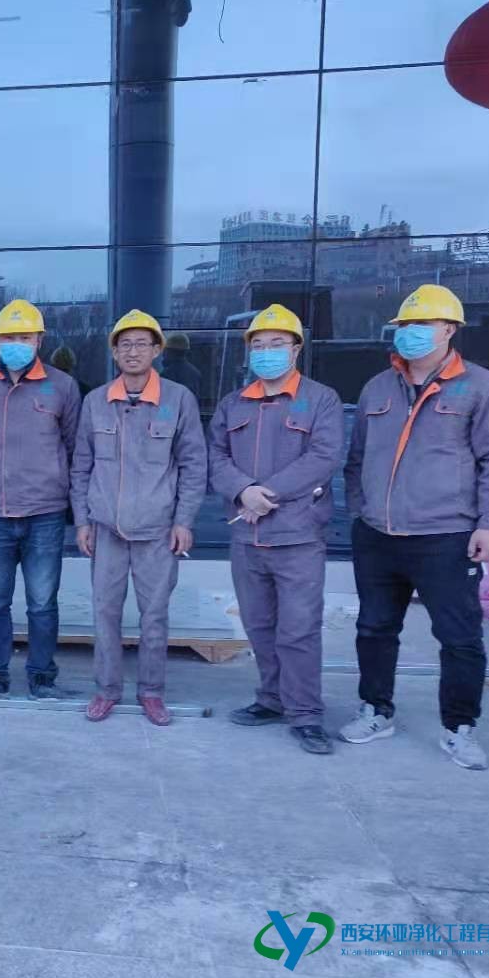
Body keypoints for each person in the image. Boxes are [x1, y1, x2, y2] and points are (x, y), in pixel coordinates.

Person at [340, 285, 489, 770]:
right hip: (378, 536)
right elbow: (357, 456)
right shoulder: (378, 387)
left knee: (459, 637)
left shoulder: (481, 387)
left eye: (422, 325)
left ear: (449, 330)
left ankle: (459, 728)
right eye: (405, 325)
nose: (411, 334)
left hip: (446, 537)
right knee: (374, 628)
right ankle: (376, 710)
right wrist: (360, 508)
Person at [208, 305, 343, 754]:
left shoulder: (319, 399)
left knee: (298, 630)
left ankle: (306, 714)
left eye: (277, 343)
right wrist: (242, 490)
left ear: (296, 349)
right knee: (259, 625)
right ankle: (271, 699)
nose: (267, 352)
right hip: (247, 538)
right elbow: (215, 457)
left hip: (298, 536)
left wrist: (266, 494)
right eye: (259, 344)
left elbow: (323, 456)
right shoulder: (233, 404)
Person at [72, 310, 206, 726]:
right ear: (114, 352)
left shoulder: (178, 400)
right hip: (106, 530)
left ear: (157, 350)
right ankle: (106, 690)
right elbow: (81, 466)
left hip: (158, 531)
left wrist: (184, 520)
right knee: (105, 613)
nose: (133, 352)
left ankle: (151, 692)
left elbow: (194, 465)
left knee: (155, 616)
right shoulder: (96, 402)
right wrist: (82, 521)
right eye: (125, 344)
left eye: (142, 344)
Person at [0, 299, 82, 699]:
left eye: (24, 337)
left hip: (44, 513)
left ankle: (42, 677)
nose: (17, 343)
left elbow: (73, 446)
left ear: (39, 340)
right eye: (9, 337)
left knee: (42, 601)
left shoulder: (62, 386)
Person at [159, 332, 202, 404]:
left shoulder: (167, 374)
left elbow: (164, 402)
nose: (163, 354)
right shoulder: (195, 373)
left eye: (165, 350)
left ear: (169, 351)